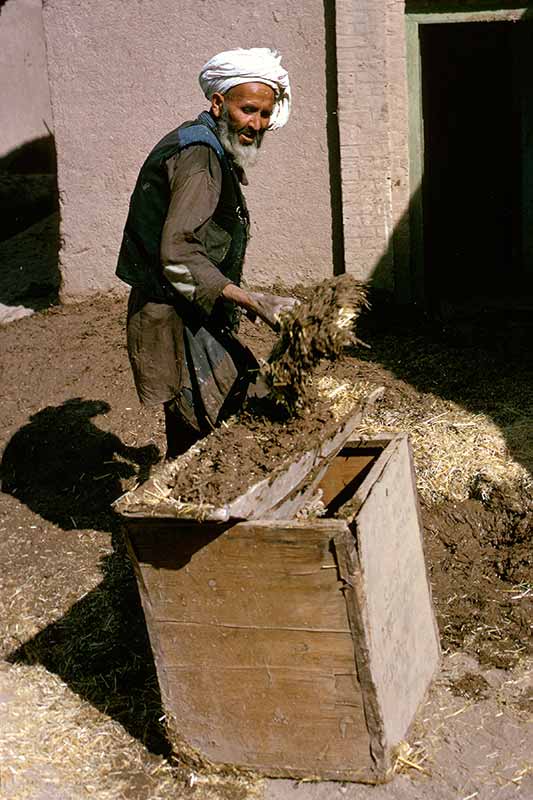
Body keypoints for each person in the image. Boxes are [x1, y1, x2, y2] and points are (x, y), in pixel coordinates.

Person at [116, 48, 296, 459]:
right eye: (248, 110)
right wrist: (252, 299)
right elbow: (177, 251)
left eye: (265, 114)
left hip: (190, 307)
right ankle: (189, 514)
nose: (257, 124)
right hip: (175, 316)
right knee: (218, 423)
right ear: (218, 103)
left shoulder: (208, 144)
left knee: (206, 422)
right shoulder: (200, 159)